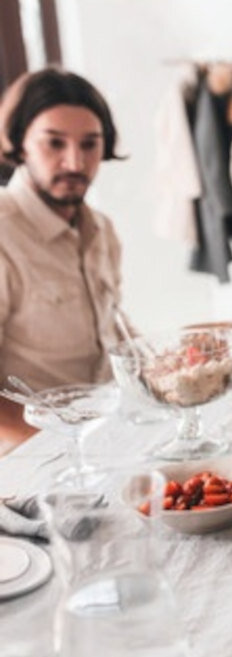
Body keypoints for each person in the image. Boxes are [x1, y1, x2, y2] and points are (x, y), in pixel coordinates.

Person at [0, 69, 126, 450]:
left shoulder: (101, 229)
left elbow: (114, 331)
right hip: (31, 459)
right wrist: (61, 445)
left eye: (90, 144)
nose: (74, 162)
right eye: (54, 143)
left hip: (112, 436)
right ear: (20, 144)